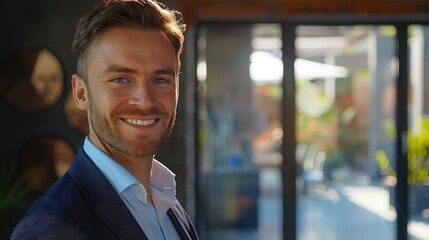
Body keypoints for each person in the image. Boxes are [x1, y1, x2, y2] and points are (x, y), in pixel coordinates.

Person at [10, 0, 198, 239]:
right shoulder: (51, 229)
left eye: (161, 80)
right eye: (120, 79)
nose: (145, 101)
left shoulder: (164, 197)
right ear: (81, 93)